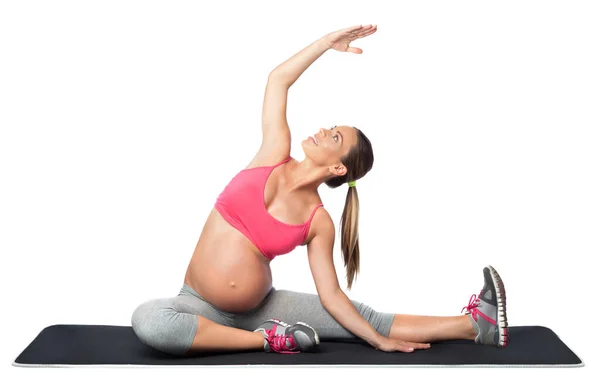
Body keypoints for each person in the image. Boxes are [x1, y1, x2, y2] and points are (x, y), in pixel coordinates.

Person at [131, 24, 509, 356]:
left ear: (338, 167)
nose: (323, 131)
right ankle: (267, 341)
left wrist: (377, 341)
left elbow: (332, 297)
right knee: (150, 320)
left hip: (262, 307)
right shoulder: (273, 153)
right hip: (197, 305)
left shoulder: (318, 221)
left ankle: (475, 326)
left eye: (334, 136)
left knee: (366, 319)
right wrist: (327, 43)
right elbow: (277, 79)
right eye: (330, 126)